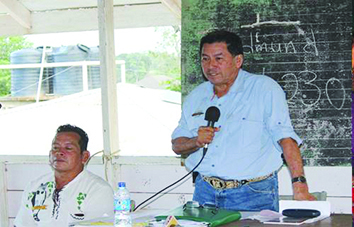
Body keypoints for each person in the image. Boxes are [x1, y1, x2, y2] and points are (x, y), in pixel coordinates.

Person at [171, 30, 315, 212]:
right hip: (204, 192)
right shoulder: (196, 96)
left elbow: (285, 137)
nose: (210, 66)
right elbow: (177, 145)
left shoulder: (264, 89)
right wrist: (196, 141)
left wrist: (299, 185)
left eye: (219, 59)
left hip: (252, 193)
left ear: (238, 61)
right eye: (205, 59)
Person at [14, 124, 114, 226]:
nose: (59, 153)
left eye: (68, 148)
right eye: (55, 147)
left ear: (84, 156)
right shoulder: (35, 187)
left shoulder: (98, 190)